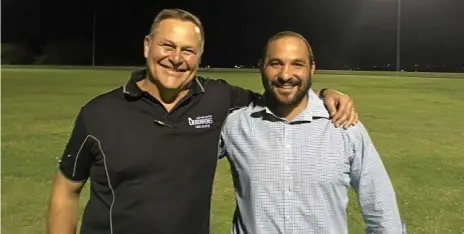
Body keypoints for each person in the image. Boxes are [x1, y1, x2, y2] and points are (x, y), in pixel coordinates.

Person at [47, 9, 359, 234]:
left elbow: (280, 96)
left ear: (199, 56)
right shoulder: (99, 114)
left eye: (188, 50)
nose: (176, 58)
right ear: (146, 46)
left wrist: (324, 93)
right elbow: (66, 190)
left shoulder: (218, 99)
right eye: (167, 46)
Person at [219, 31, 405, 234]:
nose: (286, 75)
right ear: (261, 67)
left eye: (297, 64)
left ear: (312, 68)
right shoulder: (235, 126)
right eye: (276, 63)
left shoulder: (344, 125)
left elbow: (381, 210)